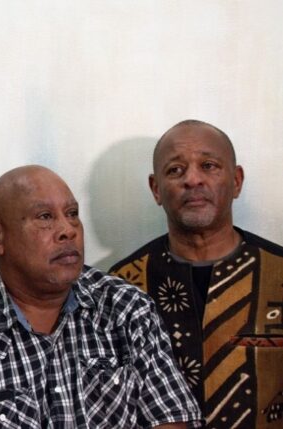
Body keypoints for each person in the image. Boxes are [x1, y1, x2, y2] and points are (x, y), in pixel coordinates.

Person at [0, 165, 201, 428]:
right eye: (45, 217)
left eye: (72, 213)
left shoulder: (125, 308)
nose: (68, 230)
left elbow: (169, 418)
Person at [110, 119, 283, 428]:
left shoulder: (279, 273)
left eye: (209, 165)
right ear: (156, 188)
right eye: (175, 170)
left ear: (237, 180)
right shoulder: (123, 285)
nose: (193, 179)